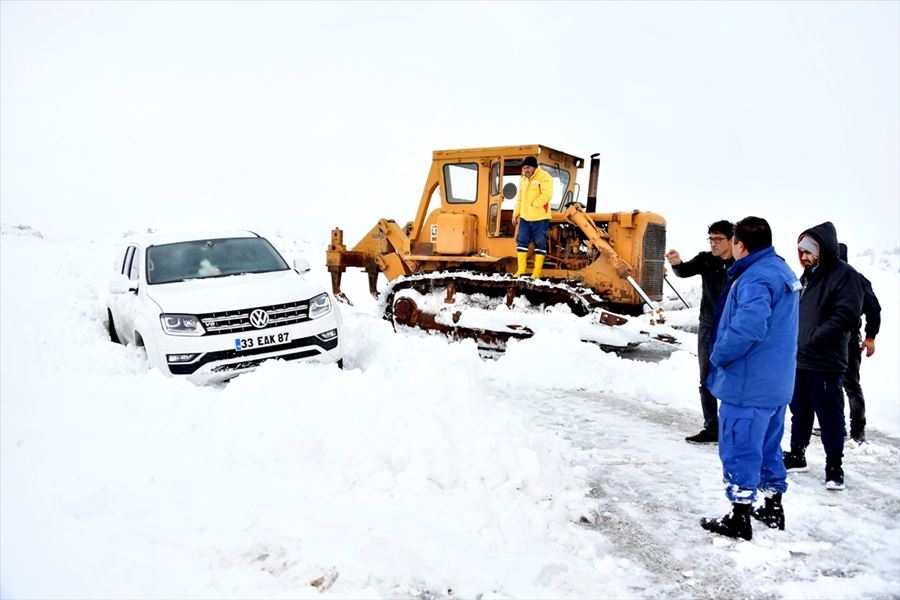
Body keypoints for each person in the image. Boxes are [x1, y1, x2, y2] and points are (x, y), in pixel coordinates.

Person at [699, 217, 801, 541]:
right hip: (776, 383)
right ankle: (772, 506)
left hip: (748, 384)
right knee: (769, 446)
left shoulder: (754, 278)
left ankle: (739, 516)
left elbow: (748, 328)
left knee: (740, 446)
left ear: (740, 245)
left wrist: (718, 355)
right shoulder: (781, 270)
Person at [783, 222, 863, 490]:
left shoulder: (845, 275)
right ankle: (797, 454)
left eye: (808, 251)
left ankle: (834, 465)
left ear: (822, 249)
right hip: (800, 358)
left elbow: (847, 315)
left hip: (826, 360)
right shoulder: (808, 276)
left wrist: (814, 337)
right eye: (800, 251)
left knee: (830, 415)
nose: (803, 256)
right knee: (800, 411)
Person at [665, 220, 735, 444]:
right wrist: (676, 264)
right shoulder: (706, 260)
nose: (713, 244)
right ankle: (712, 427)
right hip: (708, 326)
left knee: (731, 378)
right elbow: (684, 271)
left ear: (732, 240)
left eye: (718, 239)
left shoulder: (741, 263)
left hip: (732, 329)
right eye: (711, 239)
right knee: (706, 378)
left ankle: (731, 429)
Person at [838, 243, 882, 444]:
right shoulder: (820, 278)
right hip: (824, 343)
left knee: (851, 384)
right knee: (830, 385)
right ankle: (837, 426)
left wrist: (870, 337)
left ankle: (857, 430)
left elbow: (874, 309)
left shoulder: (856, 279)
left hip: (848, 340)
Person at [511, 156, 554, 278]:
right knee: (521, 242)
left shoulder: (545, 177)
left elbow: (547, 194)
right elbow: (519, 198)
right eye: (524, 168)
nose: (526, 170)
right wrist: (516, 213)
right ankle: (521, 270)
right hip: (525, 217)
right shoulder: (523, 179)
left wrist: (534, 204)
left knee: (540, 243)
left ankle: (537, 272)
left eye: (528, 167)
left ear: (534, 167)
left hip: (540, 217)